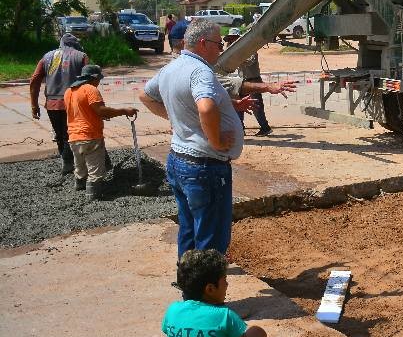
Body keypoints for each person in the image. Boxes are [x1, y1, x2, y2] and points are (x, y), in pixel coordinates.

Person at [140, 18, 245, 257]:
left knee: (188, 227)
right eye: (219, 44)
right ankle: (205, 290)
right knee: (211, 236)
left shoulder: (171, 68)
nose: (221, 49)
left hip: (179, 161)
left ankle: (187, 281)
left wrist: (177, 121)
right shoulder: (200, 72)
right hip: (205, 166)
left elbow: (145, 96)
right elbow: (206, 108)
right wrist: (216, 141)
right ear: (202, 43)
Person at [64, 64, 139, 200]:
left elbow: (82, 111)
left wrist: (101, 115)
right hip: (90, 136)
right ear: (94, 78)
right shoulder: (90, 89)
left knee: (80, 167)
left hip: (73, 136)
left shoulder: (69, 91)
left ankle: (80, 185)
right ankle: (93, 196)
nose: (99, 82)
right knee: (95, 170)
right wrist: (124, 111)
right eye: (99, 79)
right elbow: (100, 110)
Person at [29, 33, 89, 174]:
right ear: (75, 43)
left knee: (60, 134)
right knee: (74, 133)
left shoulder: (47, 56)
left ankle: (66, 162)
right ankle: (74, 164)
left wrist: (34, 104)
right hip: (74, 103)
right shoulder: (81, 56)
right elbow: (89, 81)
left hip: (52, 104)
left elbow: (35, 80)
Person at [223, 27, 272, 136]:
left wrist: (237, 56)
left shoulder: (250, 48)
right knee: (239, 106)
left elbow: (251, 61)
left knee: (256, 107)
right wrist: (229, 49)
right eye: (231, 39)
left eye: (234, 39)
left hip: (253, 80)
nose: (232, 41)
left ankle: (265, 127)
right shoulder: (235, 51)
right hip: (242, 82)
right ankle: (240, 128)